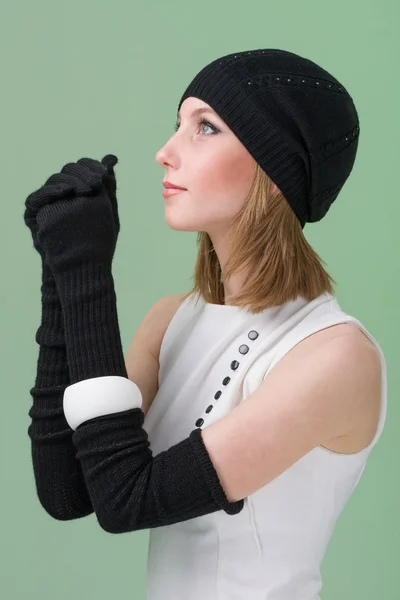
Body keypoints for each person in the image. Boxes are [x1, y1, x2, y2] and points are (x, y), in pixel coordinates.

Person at [24, 48, 387, 600]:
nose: (165, 152)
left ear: (274, 172)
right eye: (178, 125)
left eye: (206, 127)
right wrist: (61, 271)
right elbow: (68, 490)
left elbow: (128, 499)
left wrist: (87, 270)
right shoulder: (170, 321)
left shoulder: (334, 356)